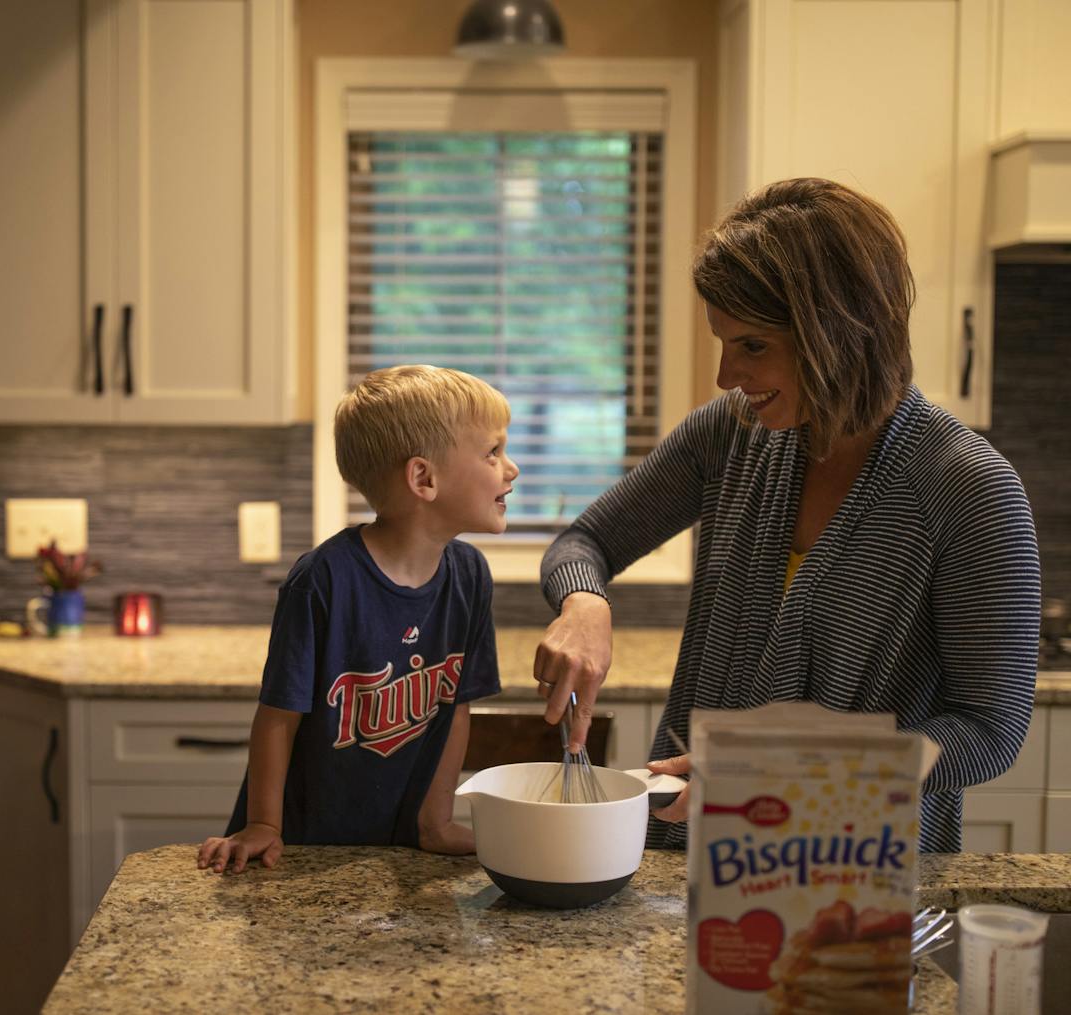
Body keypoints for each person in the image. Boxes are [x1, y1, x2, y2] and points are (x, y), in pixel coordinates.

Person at [532, 178, 1040, 853]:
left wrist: (791, 773)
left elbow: (989, 730)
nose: (724, 376)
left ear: (837, 332)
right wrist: (583, 603)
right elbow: (585, 540)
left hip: (854, 868)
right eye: (723, 342)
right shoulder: (731, 434)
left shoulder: (968, 490)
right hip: (686, 851)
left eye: (751, 346)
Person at [198, 365, 519, 873]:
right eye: (493, 452)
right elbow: (278, 717)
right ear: (424, 478)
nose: (511, 468)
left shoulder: (471, 576)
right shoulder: (323, 580)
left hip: (400, 846)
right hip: (304, 847)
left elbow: (456, 707)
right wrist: (264, 825)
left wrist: (435, 822)